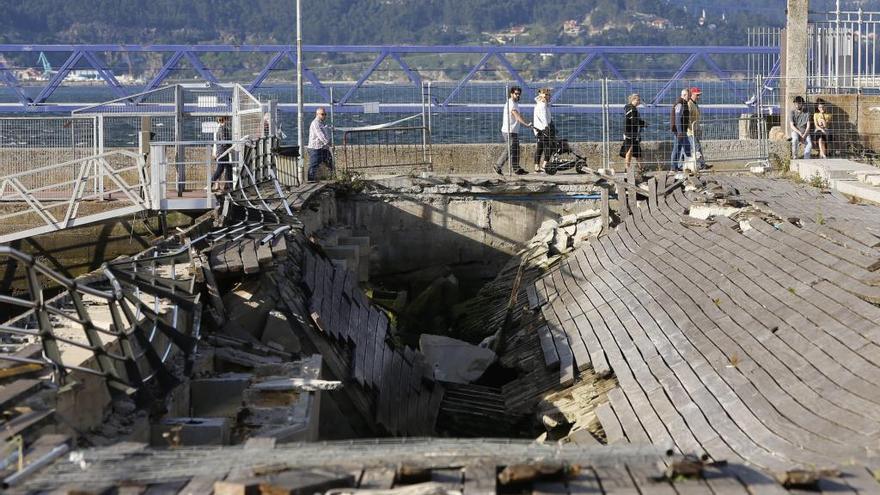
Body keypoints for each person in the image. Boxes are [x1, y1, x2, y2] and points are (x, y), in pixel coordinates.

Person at [495, 86, 532, 175]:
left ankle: (516, 169)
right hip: (509, 131)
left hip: (513, 131)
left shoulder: (515, 103)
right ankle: (497, 166)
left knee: (516, 149)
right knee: (510, 149)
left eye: (519, 94)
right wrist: (526, 124)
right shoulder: (511, 103)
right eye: (516, 94)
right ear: (511, 94)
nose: (518, 95)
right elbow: (517, 116)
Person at [619, 93, 646, 179]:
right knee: (629, 151)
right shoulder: (631, 109)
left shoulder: (630, 108)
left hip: (633, 133)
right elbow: (634, 121)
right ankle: (627, 169)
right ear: (633, 100)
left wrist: (641, 123)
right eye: (637, 100)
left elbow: (634, 120)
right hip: (630, 134)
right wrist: (643, 123)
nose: (639, 101)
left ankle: (641, 168)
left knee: (637, 153)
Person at [307, 107, 334, 181]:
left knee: (330, 164)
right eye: (322, 114)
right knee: (313, 166)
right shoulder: (315, 123)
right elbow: (320, 135)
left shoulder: (322, 123)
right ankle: (311, 182)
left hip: (323, 148)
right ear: (317, 114)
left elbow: (325, 134)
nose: (324, 116)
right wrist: (329, 143)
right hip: (315, 148)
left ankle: (331, 178)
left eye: (325, 114)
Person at [687, 87, 709, 169]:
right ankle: (701, 165)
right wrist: (691, 128)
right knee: (697, 148)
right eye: (697, 95)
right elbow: (687, 118)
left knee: (696, 147)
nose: (699, 97)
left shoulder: (695, 103)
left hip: (695, 129)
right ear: (692, 94)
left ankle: (701, 164)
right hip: (691, 131)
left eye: (699, 95)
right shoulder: (689, 104)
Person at [532, 88, 553, 173]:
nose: (549, 96)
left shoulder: (539, 104)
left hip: (538, 130)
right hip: (543, 129)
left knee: (540, 148)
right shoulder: (542, 105)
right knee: (550, 147)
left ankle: (536, 167)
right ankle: (544, 166)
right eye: (548, 95)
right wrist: (546, 128)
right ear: (544, 95)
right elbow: (543, 117)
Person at [670, 88, 691, 171]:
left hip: (681, 130)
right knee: (681, 147)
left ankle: (676, 166)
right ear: (684, 95)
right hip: (679, 131)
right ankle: (675, 167)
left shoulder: (683, 103)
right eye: (689, 96)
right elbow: (678, 118)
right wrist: (679, 132)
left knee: (680, 147)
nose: (689, 97)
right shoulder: (680, 104)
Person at [210, 116, 232, 192]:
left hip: (221, 152)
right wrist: (230, 146)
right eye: (227, 120)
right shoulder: (223, 129)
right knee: (220, 170)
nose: (228, 121)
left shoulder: (219, 129)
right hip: (223, 152)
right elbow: (224, 141)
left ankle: (230, 186)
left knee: (227, 168)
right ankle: (210, 184)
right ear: (225, 120)